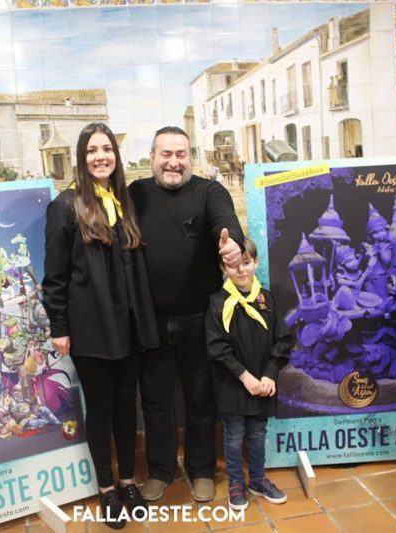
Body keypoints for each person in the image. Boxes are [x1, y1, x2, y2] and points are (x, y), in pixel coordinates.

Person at [42, 123, 159, 529]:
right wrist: (59, 327)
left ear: (115, 155)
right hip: (90, 327)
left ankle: (128, 480)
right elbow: (55, 276)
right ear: (82, 157)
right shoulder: (65, 206)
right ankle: (106, 488)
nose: (100, 156)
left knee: (128, 406)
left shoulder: (124, 203)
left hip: (129, 325)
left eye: (106, 149)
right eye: (92, 150)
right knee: (101, 409)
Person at [129, 126, 244, 502]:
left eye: (181, 154)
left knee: (200, 397)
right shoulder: (134, 194)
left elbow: (225, 223)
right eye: (166, 154)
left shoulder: (209, 191)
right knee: (155, 400)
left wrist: (232, 245)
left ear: (190, 157)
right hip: (150, 323)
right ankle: (160, 470)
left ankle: (202, 469)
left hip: (200, 318)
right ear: (152, 158)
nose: (174, 162)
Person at [205, 238, 290, 510]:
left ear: (256, 262)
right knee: (233, 435)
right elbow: (217, 348)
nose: (241, 270)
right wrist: (245, 377)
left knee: (257, 433)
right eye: (233, 265)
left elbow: (282, 341)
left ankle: (258, 479)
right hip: (232, 384)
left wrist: (269, 374)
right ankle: (235, 482)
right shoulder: (218, 303)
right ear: (223, 268)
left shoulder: (268, 300)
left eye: (246, 262)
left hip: (262, 383)